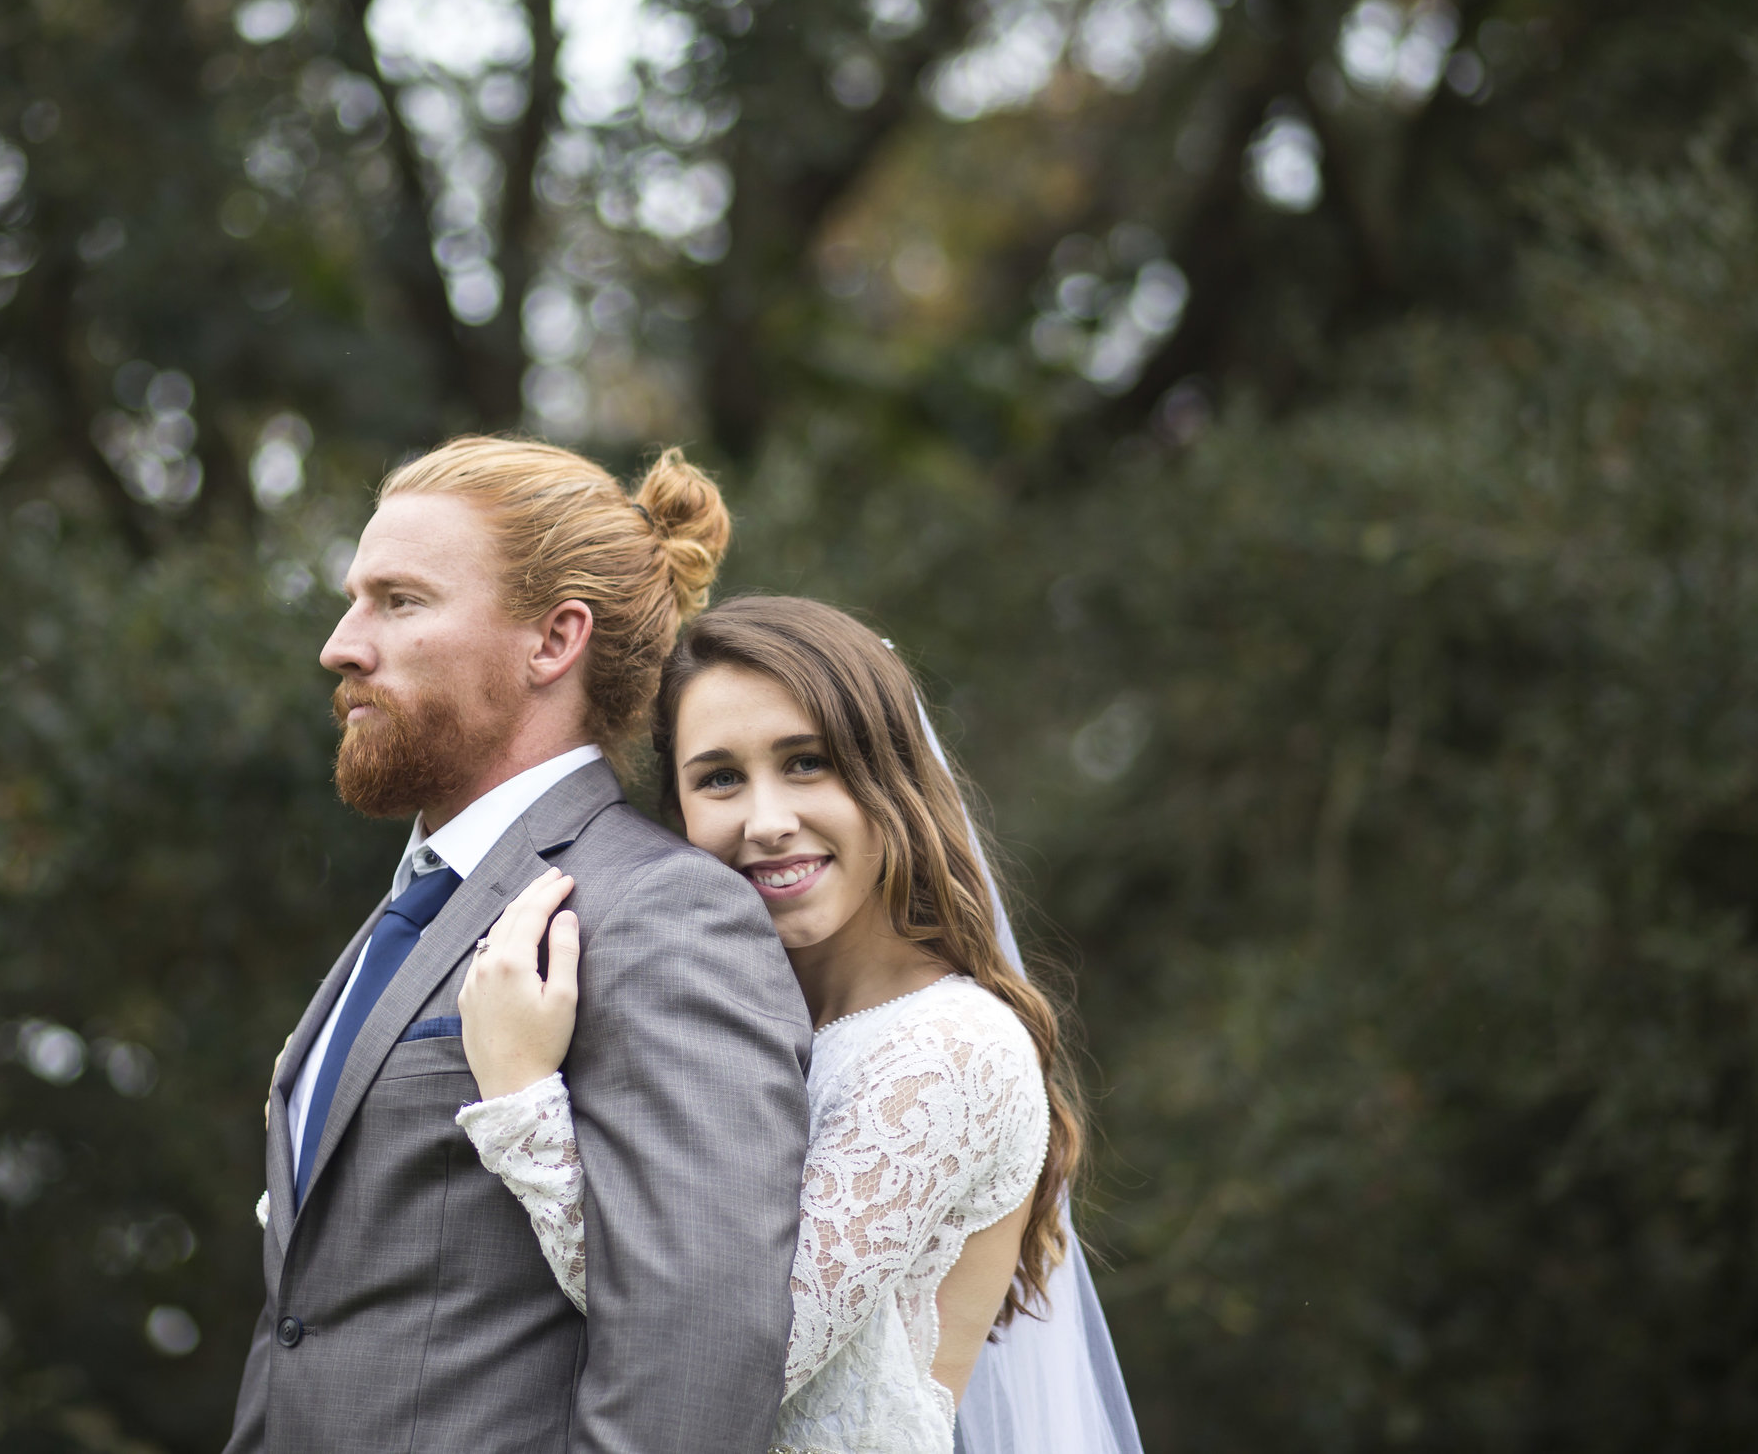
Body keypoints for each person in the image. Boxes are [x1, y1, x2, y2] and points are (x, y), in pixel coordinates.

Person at [226, 438, 813, 1454]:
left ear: (553, 640)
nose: (341, 643)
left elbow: (697, 1357)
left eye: (399, 601)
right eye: (353, 598)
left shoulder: (660, 911)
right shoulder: (412, 910)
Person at [458, 596, 1130, 1454]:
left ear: (889, 778)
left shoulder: (951, 1049)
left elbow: (723, 1347)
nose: (768, 820)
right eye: (720, 778)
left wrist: (520, 1098)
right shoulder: (752, 1033)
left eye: (806, 763)